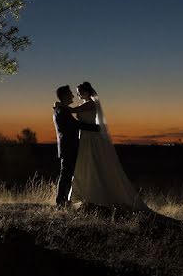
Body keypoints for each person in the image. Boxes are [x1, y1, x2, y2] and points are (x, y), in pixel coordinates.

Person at [63, 82, 148, 211]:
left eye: (79, 91)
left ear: (87, 91)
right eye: (77, 91)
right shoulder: (85, 104)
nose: (78, 94)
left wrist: (60, 105)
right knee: (85, 163)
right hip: (84, 136)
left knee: (91, 162)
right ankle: (85, 193)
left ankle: (95, 195)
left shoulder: (90, 103)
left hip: (90, 138)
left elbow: (73, 110)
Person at [52, 85, 100, 207]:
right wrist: (95, 128)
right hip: (68, 147)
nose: (73, 95)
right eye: (71, 93)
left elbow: (74, 121)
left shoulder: (61, 110)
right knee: (66, 174)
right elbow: (74, 125)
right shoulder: (61, 111)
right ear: (65, 96)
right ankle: (60, 201)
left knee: (68, 174)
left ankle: (64, 200)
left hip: (70, 146)